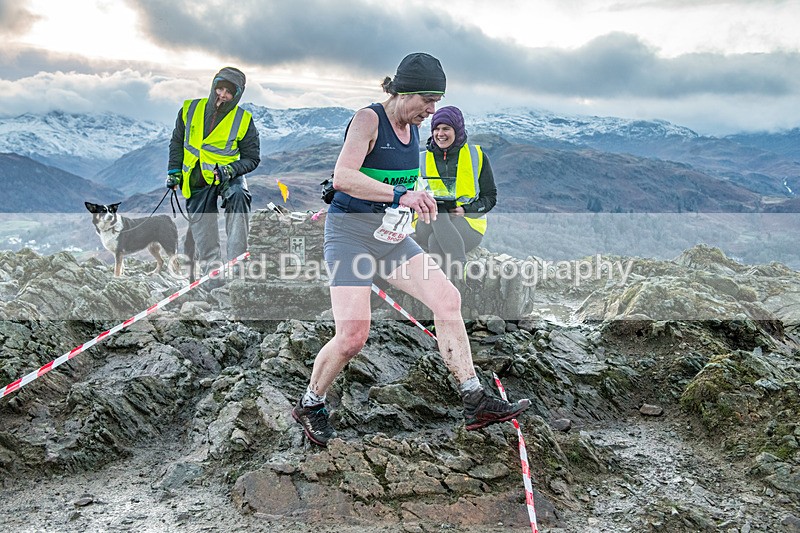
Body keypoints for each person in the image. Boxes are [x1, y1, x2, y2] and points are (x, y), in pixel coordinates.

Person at [291, 53, 529, 447]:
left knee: (447, 298)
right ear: (403, 91)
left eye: (437, 101)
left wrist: (419, 197)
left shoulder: (412, 129)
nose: (432, 110)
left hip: (390, 238)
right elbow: (344, 177)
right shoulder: (369, 119)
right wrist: (401, 195)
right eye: (427, 99)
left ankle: (473, 399)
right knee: (353, 336)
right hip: (350, 236)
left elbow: (399, 182)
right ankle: (310, 403)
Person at [166, 67, 260, 280]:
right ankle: (212, 279)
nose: (222, 95)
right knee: (203, 234)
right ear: (213, 86)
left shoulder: (243, 120)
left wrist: (230, 170)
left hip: (227, 175)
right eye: (220, 88)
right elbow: (177, 142)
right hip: (196, 178)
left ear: (237, 95)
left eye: (229, 92)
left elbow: (252, 158)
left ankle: (237, 269)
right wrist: (174, 172)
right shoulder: (190, 109)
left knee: (239, 196)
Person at [414, 106, 496, 278]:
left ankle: (439, 296)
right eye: (436, 128)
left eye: (446, 128)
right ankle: (460, 265)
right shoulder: (420, 159)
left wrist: (465, 210)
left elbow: (490, 198)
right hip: (426, 222)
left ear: (457, 130)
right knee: (438, 210)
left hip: (466, 223)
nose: (440, 133)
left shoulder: (477, 156)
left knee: (435, 242)